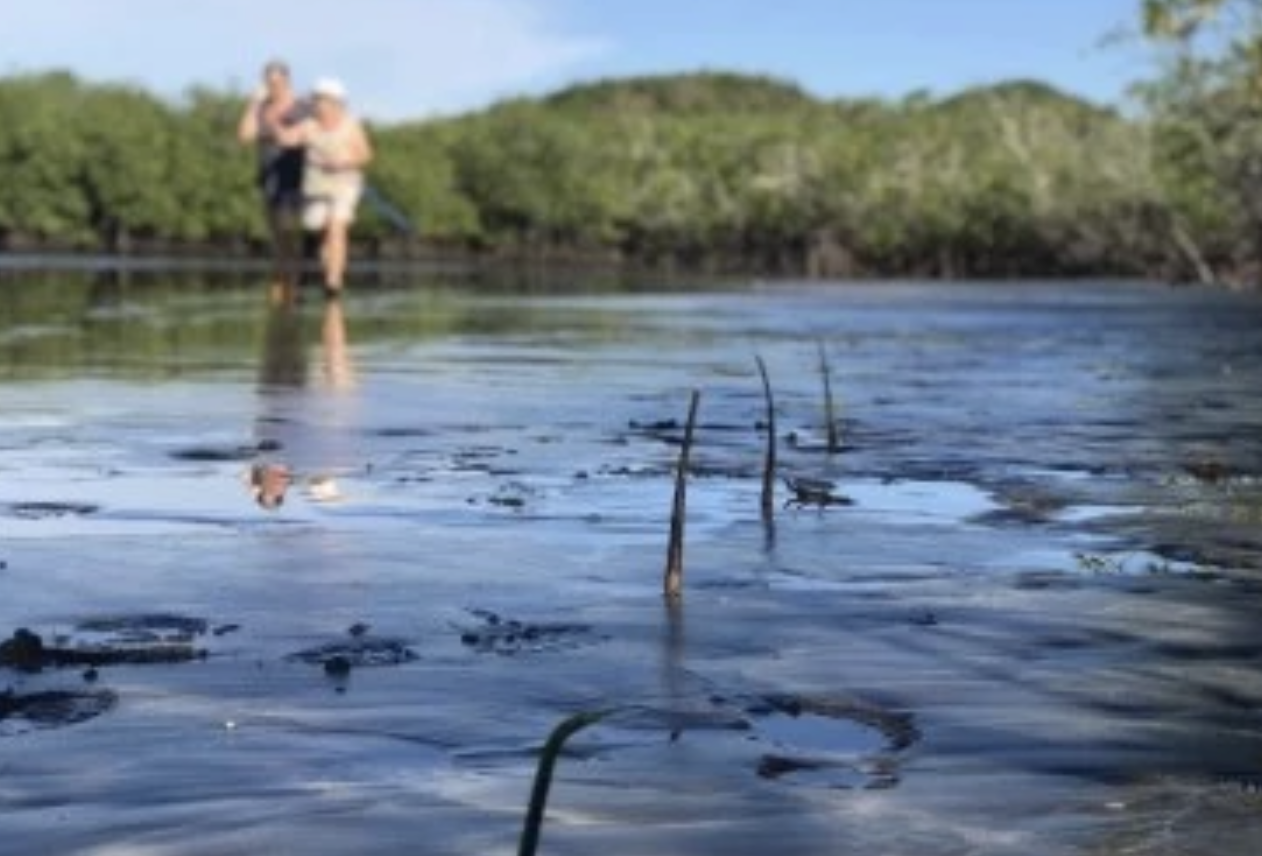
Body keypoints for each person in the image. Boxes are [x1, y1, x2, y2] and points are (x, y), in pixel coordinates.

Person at [274, 77, 374, 298]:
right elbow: (286, 140)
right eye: (316, 100)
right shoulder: (309, 126)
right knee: (320, 230)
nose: (319, 105)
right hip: (316, 187)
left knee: (336, 226)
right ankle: (329, 269)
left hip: (345, 184)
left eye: (323, 100)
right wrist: (276, 119)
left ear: (337, 103)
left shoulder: (351, 125)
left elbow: (366, 154)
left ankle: (334, 281)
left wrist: (343, 163)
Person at [236, 60, 309, 300]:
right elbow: (245, 135)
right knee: (278, 238)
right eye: (269, 83)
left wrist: (280, 129)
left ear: (287, 82)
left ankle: (291, 288)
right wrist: (253, 104)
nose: (273, 87)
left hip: (297, 177)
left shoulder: (302, 107)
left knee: (289, 234)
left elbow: (308, 136)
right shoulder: (261, 108)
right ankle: (281, 290)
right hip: (269, 179)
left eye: (277, 82)